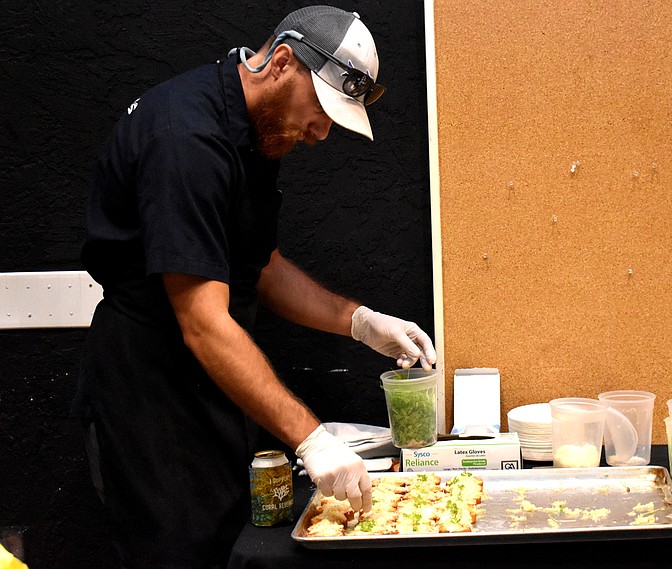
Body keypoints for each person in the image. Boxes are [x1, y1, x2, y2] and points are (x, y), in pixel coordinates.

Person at [74, 5, 436, 568]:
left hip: (212, 389)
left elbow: (258, 265)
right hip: (151, 397)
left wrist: (361, 322)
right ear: (282, 62)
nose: (320, 132)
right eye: (321, 108)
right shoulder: (186, 139)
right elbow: (203, 323)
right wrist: (311, 439)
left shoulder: (258, 131)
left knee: (227, 544)